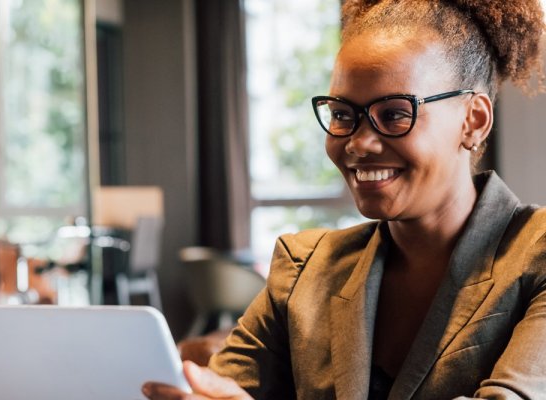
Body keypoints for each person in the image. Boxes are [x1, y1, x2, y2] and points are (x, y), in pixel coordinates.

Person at [143, 0, 546, 398]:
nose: (358, 143)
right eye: (342, 114)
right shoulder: (304, 269)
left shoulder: (535, 255)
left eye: (393, 114)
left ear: (473, 121)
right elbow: (219, 387)